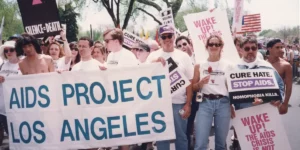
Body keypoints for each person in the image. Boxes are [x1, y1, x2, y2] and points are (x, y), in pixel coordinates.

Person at [146, 25, 193, 150]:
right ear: (159, 39)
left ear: (174, 36)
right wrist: (153, 65)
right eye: (164, 36)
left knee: (181, 137)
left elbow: (190, 82)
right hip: (159, 105)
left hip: (179, 104)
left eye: (170, 36)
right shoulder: (152, 57)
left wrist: (188, 104)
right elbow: (144, 80)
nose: (167, 39)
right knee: (161, 138)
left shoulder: (184, 57)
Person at [192, 35, 232, 150]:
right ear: (207, 47)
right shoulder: (199, 65)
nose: (214, 46)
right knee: (200, 143)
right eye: (211, 44)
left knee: (221, 143)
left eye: (217, 44)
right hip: (205, 103)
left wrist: (232, 105)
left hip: (223, 103)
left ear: (221, 47)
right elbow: (193, 87)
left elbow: (232, 88)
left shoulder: (229, 65)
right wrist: (200, 84)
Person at [102, 28, 138, 150]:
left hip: (124, 99)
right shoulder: (110, 55)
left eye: (107, 41)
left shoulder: (128, 56)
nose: (104, 43)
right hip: (112, 98)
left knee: (124, 132)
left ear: (116, 41)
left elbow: (129, 77)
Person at [233, 36, 284, 111]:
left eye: (253, 48)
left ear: (257, 49)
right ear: (241, 50)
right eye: (247, 49)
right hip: (243, 112)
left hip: (265, 110)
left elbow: (280, 84)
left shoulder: (267, 67)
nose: (250, 51)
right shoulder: (234, 68)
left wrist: (279, 98)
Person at [0, 40, 22, 144]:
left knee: (19, 135)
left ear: (17, 50)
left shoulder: (23, 63)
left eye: (11, 50)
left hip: (17, 108)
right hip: (3, 108)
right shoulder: (2, 65)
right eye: (6, 50)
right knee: (9, 135)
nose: (8, 52)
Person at [267, 39, 292, 114]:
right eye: (277, 47)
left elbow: (289, 86)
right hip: (263, 100)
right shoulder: (263, 63)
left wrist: (285, 103)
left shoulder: (286, 65)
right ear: (269, 49)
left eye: (281, 47)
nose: (281, 50)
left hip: (277, 100)